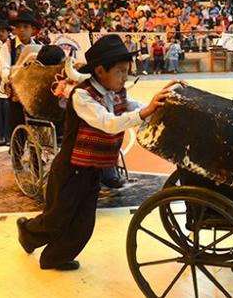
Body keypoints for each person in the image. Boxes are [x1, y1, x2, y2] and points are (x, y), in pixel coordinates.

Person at [16, 34, 186, 270]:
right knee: (57, 218)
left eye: (127, 71)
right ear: (100, 71)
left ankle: (55, 257)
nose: (125, 77)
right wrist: (146, 111)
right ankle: (27, 232)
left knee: (84, 222)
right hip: (70, 169)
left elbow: (136, 106)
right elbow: (108, 122)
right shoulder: (82, 95)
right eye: (120, 72)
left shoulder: (115, 91)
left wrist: (158, 102)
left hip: (93, 168)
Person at [0, 11, 42, 142]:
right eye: (18, 27)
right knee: (17, 124)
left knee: (38, 124)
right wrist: (12, 78)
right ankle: (17, 152)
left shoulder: (39, 46)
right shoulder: (8, 46)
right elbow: (4, 68)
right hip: (16, 92)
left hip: (34, 92)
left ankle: (37, 153)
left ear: (33, 29)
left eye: (25, 27)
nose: (22, 30)